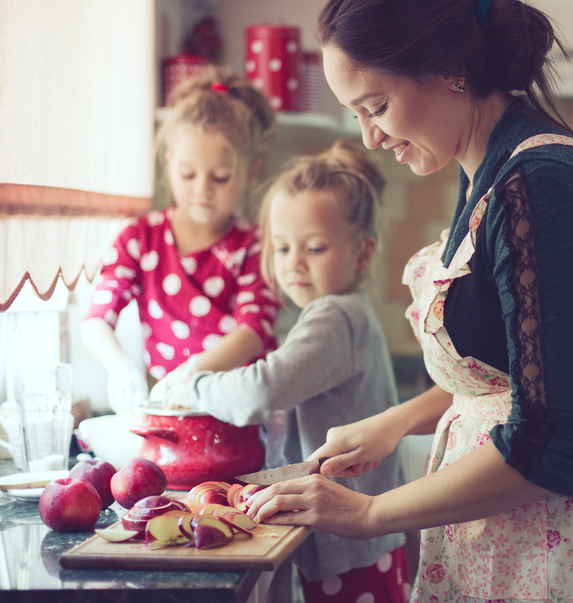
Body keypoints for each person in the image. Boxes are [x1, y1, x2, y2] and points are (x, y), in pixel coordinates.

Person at [247, 0, 573, 603]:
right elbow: (528, 369)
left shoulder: (540, 187)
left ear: (452, 71)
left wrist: (365, 515)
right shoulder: (491, 173)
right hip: (543, 544)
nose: (370, 135)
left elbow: (550, 443)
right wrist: (396, 423)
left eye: (377, 106)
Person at [151, 139, 409, 602]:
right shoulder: (337, 312)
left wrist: (192, 383)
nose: (293, 264)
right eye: (283, 247)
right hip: (346, 540)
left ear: (363, 252)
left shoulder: (335, 317)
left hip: (349, 547)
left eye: (314, 247)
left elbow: (263, 389)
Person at [81, 66, 282, 417]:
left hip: (242, 412)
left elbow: (254, 331)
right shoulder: (140, 238)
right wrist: (120, 366)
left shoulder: (255, 246)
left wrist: (192, 374)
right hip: (172, 410)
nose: (202, 189)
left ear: (252, 171)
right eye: (188, 174)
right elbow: (97, 317)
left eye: (220, 177)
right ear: (170, 163)